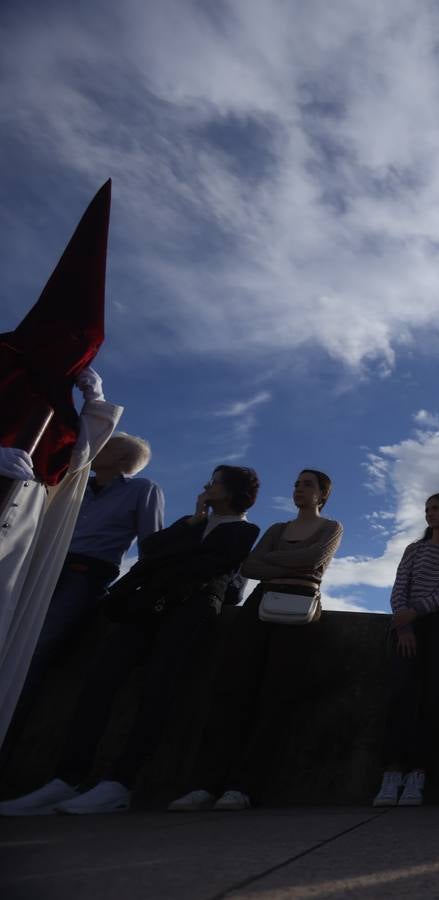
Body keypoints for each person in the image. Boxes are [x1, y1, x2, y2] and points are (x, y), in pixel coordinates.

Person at [0, 465, 261, 815]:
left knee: (157, 691)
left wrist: (175, 558)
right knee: (100, 681)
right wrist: (192, 522)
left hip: (190, 612)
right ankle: (66, 778)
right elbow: (151, 549)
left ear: (230, 491)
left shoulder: (244, 531)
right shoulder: (191, 523)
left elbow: (209, 566)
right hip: (146, 608)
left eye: (214, 482)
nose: (206, 486)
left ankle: (119, 783)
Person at [0, 182, 119, 754]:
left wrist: (94, 413)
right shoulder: (8, 363)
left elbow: (72, 466)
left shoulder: (66, 402)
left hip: (21, 518)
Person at [168, 469, 343, 812]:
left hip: (298, 609)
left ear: (323, 494)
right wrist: (289, 567)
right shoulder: (277, 529)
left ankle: (243, 786)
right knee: (232, 690)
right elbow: (249, 566)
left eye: (307, 485)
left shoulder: (330, 527)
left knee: (275, 695)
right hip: (259, 606)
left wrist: (276, 563)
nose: (298, 489)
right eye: (295, 484)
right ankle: (205, 783)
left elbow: (313, 561)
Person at [1, 433, 162, 771]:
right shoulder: (75, 484)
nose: (97, 449)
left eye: (108, 447)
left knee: (36, 651)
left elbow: (152, 545)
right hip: (43, 567)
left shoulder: (142, 489)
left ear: (122, 459)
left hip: (85, 576)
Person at [373, 492, 439, 807]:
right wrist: (403, 625)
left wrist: (416, 612)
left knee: (434, 698)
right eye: (427, 509)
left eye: (436, 508)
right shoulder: (414, 550)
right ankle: (392, 771)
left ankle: (419, 773)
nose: (429, 513)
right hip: (408, 627)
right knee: (402, 695)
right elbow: (400, 586)